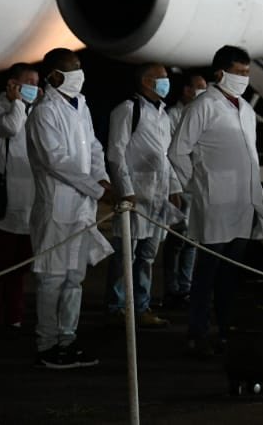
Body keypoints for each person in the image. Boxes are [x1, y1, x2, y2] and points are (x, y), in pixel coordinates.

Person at [168, 45, 263, 356]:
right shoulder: (203, 106)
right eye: (239, 72)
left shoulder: (246, 110)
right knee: (206, 274)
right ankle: (197, 333)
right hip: (214, 203)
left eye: (247, 73)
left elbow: (250, 156)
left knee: (230, 275)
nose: (244, 78)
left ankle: (227, 331)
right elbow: (177, 151)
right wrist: (197, 185)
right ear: (220, 73)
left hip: (242, 203)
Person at [27, 48, 114, 368]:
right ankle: (47, 344)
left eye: (79, 67)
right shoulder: (44, 111)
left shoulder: (81, 106)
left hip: (82, 209)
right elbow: (55, 161)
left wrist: (102, 179)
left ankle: (68, 339)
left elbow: (93, 146)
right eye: (71, 68)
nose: (79, 73)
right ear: (53, 75)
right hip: (56, 208)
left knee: (74, 279)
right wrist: (97, 188)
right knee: (51, 279)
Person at [104, 62, 178, 328]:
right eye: (162, 78)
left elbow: (166, 157)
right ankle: (117, 306)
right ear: (146, 81)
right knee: (126, 253)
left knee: (147, 256)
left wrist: (175, 188)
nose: (166, 82)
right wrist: (126, 190)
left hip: (158, 196)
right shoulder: (127, 110)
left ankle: (141, 307)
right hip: (135, 195)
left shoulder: (163, 115)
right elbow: (116, 153)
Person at [0, 62, 39, 333]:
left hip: (30, 201)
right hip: (4, 202)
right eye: (28, 82)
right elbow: (13, 128)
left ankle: (14, 316)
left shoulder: (34, 112)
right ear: (13, 84)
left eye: (37, 83)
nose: (34, 88)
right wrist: (16, 103)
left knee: (19, 267)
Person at [159, 69, 205, 309]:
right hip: (180, 186)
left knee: (192, 242)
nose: (203, 91)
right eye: (199, 86)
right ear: (187, 90)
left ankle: (185, 287)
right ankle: (171, 289)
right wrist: (174, 187)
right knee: (176, 241)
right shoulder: (173, 115)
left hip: (197, 186)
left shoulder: (201, 114)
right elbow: (170, 154)